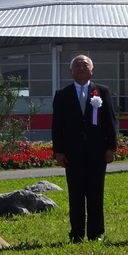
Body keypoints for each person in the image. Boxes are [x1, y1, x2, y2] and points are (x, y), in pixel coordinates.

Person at [51, 55, 117, 242]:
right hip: (73, 153)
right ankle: (76, 233)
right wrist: (59, 151)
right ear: (71, 71)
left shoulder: (101, 92)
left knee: (96, 193)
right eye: (77, 65)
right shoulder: (63, 94)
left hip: (97, 151)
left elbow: (111, 122)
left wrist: (111, 147)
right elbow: (57, 125)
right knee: (76, 194)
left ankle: (96, 233)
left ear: (92, 70)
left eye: (85, 65)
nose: (81, 68)